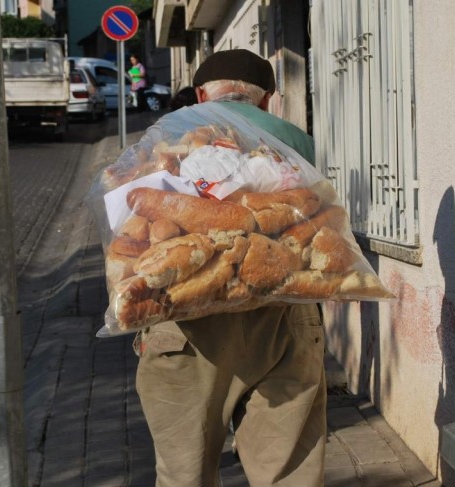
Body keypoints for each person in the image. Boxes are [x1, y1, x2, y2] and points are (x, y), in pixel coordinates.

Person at [134, 49, 326, 487]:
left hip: (184, 325)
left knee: (184, 475)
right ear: (266, 101)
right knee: (288, 473)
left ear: (201, 94)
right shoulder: (297, 141)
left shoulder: (160, 142)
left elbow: (136, 234)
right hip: (283, 316)